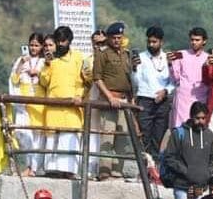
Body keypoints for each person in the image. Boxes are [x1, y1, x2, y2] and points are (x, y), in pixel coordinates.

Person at [39, 25, 91, 179]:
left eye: (63, 41)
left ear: (69, 41)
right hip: (53, 106)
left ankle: (69, 171)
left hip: (72, 107)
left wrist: (79, 95)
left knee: (70, 138)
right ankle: (51, 170)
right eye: (58, 41)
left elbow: (86, 81)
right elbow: (44, 82)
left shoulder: (78, 58)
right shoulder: (50, 60)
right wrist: (47, 65)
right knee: (52, 139)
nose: (60, 44)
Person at [164, 101, 213, 199]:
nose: (200, 121)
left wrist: (207, 173)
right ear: (191, 116)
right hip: (182, 186)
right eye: (197, 118)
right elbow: (169, 158)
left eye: (203, 118)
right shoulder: (179, 133)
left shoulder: (209, 135)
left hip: (200, 187)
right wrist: (186, 171)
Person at [91, 21, 135, 179]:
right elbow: (97, 78)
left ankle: (117, 170)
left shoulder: (126, 54)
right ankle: (104, 170)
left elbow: (129, 79)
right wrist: (109, 97)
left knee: (122, 136)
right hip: (109, 100)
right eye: (114, 37)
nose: (117, 40)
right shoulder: (103, 54)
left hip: (124, 100)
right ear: (109, 38)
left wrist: (132, 99)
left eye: (120, 37)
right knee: (107, 136)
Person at [132, 25, 175, 157]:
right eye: (149, 41)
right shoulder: (141, 57)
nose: (151, 44)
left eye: (154, 42)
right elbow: (136, 82)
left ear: (161, 42)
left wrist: (165, 91)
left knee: (159, 135)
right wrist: (134, 69)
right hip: (145, 100)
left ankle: (155, 168)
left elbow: (174, 81)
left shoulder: (168, 58)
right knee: (144, 134)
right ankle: (144, 168)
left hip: (163, 102)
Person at [8, 32, 47, 176]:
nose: (33, 48)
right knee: (23, 133)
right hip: (23, 102)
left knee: (37, 136)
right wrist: (21, 64)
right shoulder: (21, 60)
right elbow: (14, 79)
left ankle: (35, 168)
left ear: (42, 46)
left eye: (37, 45)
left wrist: (37, 73)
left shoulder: (44, 62)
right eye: (31, 45)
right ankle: (29, 165)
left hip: (39, 101)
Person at [168, 27, 208, 129]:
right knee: (180, 127)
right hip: (183, 98)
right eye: (192, 40)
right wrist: (169, 64)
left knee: (198, 127)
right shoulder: (180, 54)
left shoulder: (208, 58)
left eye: (197, 40)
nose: (194, 42)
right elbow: (175, 77)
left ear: (204, 41)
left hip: (201, 97)